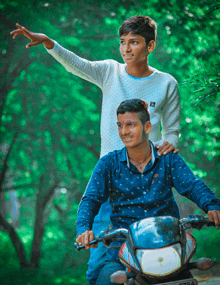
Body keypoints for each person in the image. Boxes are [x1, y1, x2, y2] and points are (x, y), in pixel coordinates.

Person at [10, 16, 181, 284]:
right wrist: (49, 43)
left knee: (161, 260)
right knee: (99, 266)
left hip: (149, 183)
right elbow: (78, 65)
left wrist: (170, 145)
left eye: (133, 42)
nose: (126, 49)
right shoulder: (110, 71)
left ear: (150, 46)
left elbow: (172, 130)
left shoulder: (166, 83)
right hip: (111, 182)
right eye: (122, 42)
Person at [76, 99, 220, 285]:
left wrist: (212, 205)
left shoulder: (168, 159)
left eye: (131, 125)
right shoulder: (108, 164)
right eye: (120, 125)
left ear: (147, 127)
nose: (124, 132)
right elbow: (90, 200)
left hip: (169, 244)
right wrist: (83, 229)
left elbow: (192, 185)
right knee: (105, 280)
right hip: (125, 247)